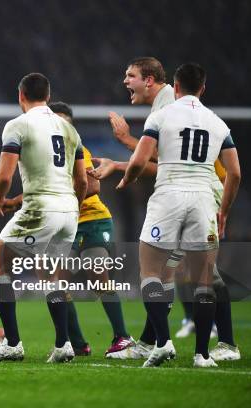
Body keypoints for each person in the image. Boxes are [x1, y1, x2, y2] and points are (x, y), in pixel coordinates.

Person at [94, 58, 240, 362]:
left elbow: (162, 157)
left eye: (130, 75)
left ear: (152, 81)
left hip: (190, 189)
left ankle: (209, 342)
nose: (125, 81)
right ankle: (171, 344)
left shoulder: (165, 107)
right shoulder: (203, 115)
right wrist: (121, 163)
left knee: (168, 272)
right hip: (203, 191)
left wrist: (125, 150)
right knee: (178, 272)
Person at [0, 73, 87, 363]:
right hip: (69, 210)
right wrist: (71, 207)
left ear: (20, 97)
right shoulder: (69, 130)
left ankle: (12, 343)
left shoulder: (18, 125)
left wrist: (1, 199)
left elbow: (4, 175)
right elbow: (82, 182)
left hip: (41, 208)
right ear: (48, 97)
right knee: (50, 275)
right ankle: (64, 344)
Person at [49, 101, 133, 357]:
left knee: (98, 277)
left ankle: (122, 337)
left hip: (92, 221)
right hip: (65, 224)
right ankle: (77, 343)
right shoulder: (42, 153)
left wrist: (58, 202)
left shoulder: (77, 148)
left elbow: (93, 187)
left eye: (66, 122)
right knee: (57, 285)